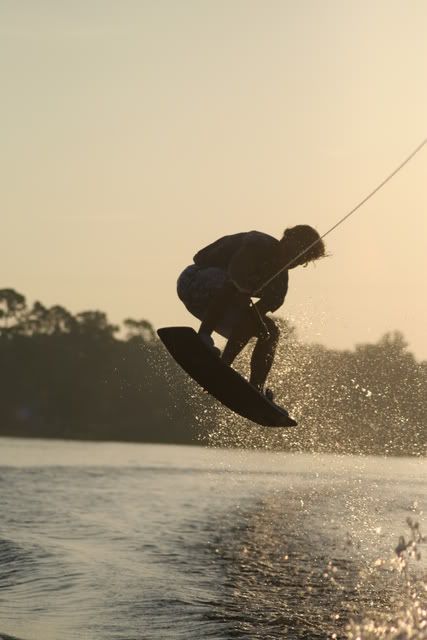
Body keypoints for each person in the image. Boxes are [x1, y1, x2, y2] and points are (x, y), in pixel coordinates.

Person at [177, 225, 326, 399]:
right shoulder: (259, 243)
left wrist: (222, 367)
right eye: (297, 251)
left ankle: (256, 387)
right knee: (233, 285)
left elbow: (247, 322)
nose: (297, 259)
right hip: (194, 281)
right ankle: (204, 336)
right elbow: (235, 272)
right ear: (287, 237)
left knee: (269, 331)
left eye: (303, 259)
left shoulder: (279, 288)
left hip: (213, 307)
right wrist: (243, 289)